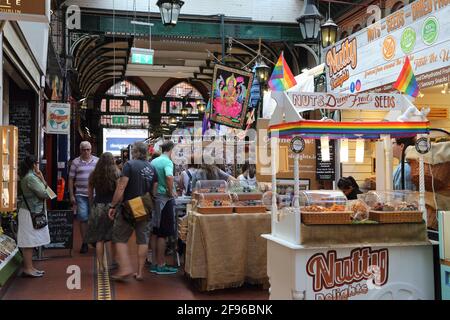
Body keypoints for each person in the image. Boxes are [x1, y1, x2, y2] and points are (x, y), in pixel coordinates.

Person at [108, 142, 157, 281]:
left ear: (134, 152)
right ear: (146, 152)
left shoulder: (129, 165)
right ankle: (140, 272)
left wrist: (112, 205)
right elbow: (154, 190)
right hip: (145, 208)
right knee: (143, 240)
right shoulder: (152, 167)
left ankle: (125, 268)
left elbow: (121, 187)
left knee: (119, 237)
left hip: (129, 208)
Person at [17, 155, 51, 277]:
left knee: (30, 241)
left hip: (30, 211)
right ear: (33, 164)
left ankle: (30, 267)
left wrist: (41, 178)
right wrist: (42, 180)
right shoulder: (31, 178)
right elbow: (44, 193)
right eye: (37, 163)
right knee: (29, 241)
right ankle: (28, 269)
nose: (39, 165)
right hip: (30, 212)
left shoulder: (29, 176)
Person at [87, 152, 120, 273]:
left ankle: (101, 266)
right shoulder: (116, 174)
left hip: (98, 206)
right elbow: (119, 191)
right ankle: (112, 262)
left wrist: (92, 205)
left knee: (99, 238)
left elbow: (89, 193)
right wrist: (116, 205)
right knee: (112, 237)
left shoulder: (93, 174)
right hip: (112, 207)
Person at [150, 141, 179, 275]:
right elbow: (169, 176)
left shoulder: (154, 161)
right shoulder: (168, 162)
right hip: (165, 200)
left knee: (155, 231)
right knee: (163, 233)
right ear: (171, 150)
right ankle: (161, 264)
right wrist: (170, 191)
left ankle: (154, 262)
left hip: (155, 198)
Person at [68, 141, 99, 254]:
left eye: (88, 149)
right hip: (80, 194)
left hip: (95, 195)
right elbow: (71, 179)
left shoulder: (97, 161)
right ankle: (85, 242)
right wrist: (71, 195)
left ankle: (94, 239)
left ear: (91, 150)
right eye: (84, 149)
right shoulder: (76, 162)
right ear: (80, 150)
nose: (86, 152)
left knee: (94, 218)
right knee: (83, 217)